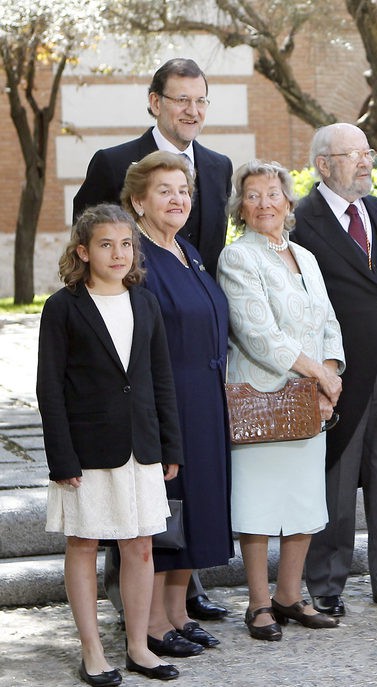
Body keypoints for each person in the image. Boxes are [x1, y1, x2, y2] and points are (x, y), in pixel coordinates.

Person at [73, 57, 233, 622]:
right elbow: (89, 256)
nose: (191, 110)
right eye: (180, 99)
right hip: (142, 367)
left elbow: (209, 257)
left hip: (196, 350)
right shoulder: (112, 163)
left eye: (200, 100)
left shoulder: (217, 167)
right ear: (154, 101)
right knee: (147, 507)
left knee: (192, 498)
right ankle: (135, 609)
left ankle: (181, 601)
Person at [37, 203, 183, 683]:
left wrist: (170, 445)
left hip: (141, 445)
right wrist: (60, 455)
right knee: (83, 543)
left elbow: (160, 379)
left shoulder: (145, 302)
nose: (118, 253)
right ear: (83, 251)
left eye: (125, 244)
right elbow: (50, 387)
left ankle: (139, 646)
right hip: (86, 449)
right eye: (105, 244)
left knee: (140, 546)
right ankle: (92, 649)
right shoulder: (63, 307)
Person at [217, 161, 345, 640]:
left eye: (273, 193)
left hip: (311, 398)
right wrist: (318, 376)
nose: (264, 203)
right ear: (241, 208)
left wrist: (330, 375)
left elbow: (329, 320)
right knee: (259, 503)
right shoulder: (238, 258)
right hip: (264, 398)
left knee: (303, 499)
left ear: (289, 203)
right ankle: (257, 604)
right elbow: (258, 335)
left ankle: (289, 596)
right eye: (252, 196)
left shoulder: (305, 256)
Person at [292, 123, 377, 617]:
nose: (366, 163)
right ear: (324, 164)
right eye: (354, 155)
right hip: (336, 373)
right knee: (336, 480)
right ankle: (326, 583)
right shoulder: (301, 219)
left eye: (369, 153)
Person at [119, 151, 234, 657]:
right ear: (139, 201)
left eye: (183, 191)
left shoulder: (189, 251)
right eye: (164, 190)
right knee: (170, 509)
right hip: (167, 399)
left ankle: (180, 611)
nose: (177, 199)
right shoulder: (137, 259)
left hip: (207, 398)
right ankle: (152, 622)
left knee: (201, 505)